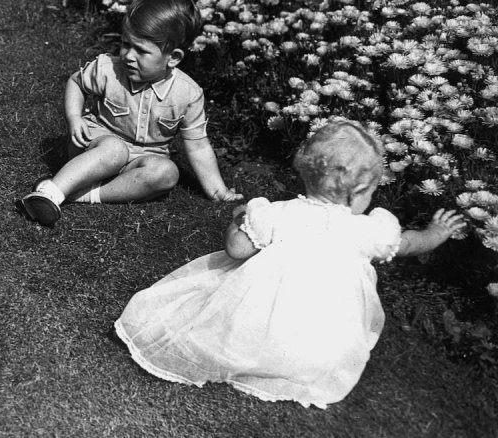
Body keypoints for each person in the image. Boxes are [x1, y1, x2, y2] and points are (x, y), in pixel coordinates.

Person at [114, 120, 467, 408]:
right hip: (320, 348)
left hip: (255, 327)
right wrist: (436, 233)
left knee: (217, 309)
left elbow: (236, 250)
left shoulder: (277, 213)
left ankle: (245, 355)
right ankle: (296, 368)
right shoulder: (367, 230)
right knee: (321, 342)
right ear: (359, 192)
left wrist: (240, 219)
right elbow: (408, 243)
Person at [18, 0, 239, 226]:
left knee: (167, 173)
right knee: (115, 150)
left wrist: (219, 191)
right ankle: (51, 191)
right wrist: (75, 117)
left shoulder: (187, 94)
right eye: (125, 44)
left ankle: (77, 194)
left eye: (141, 50)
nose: (129, 56)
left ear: (173, 57)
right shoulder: (109, 69)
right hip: (96, 147)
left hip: (138, 162)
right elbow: (76, 82)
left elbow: (198, 146)